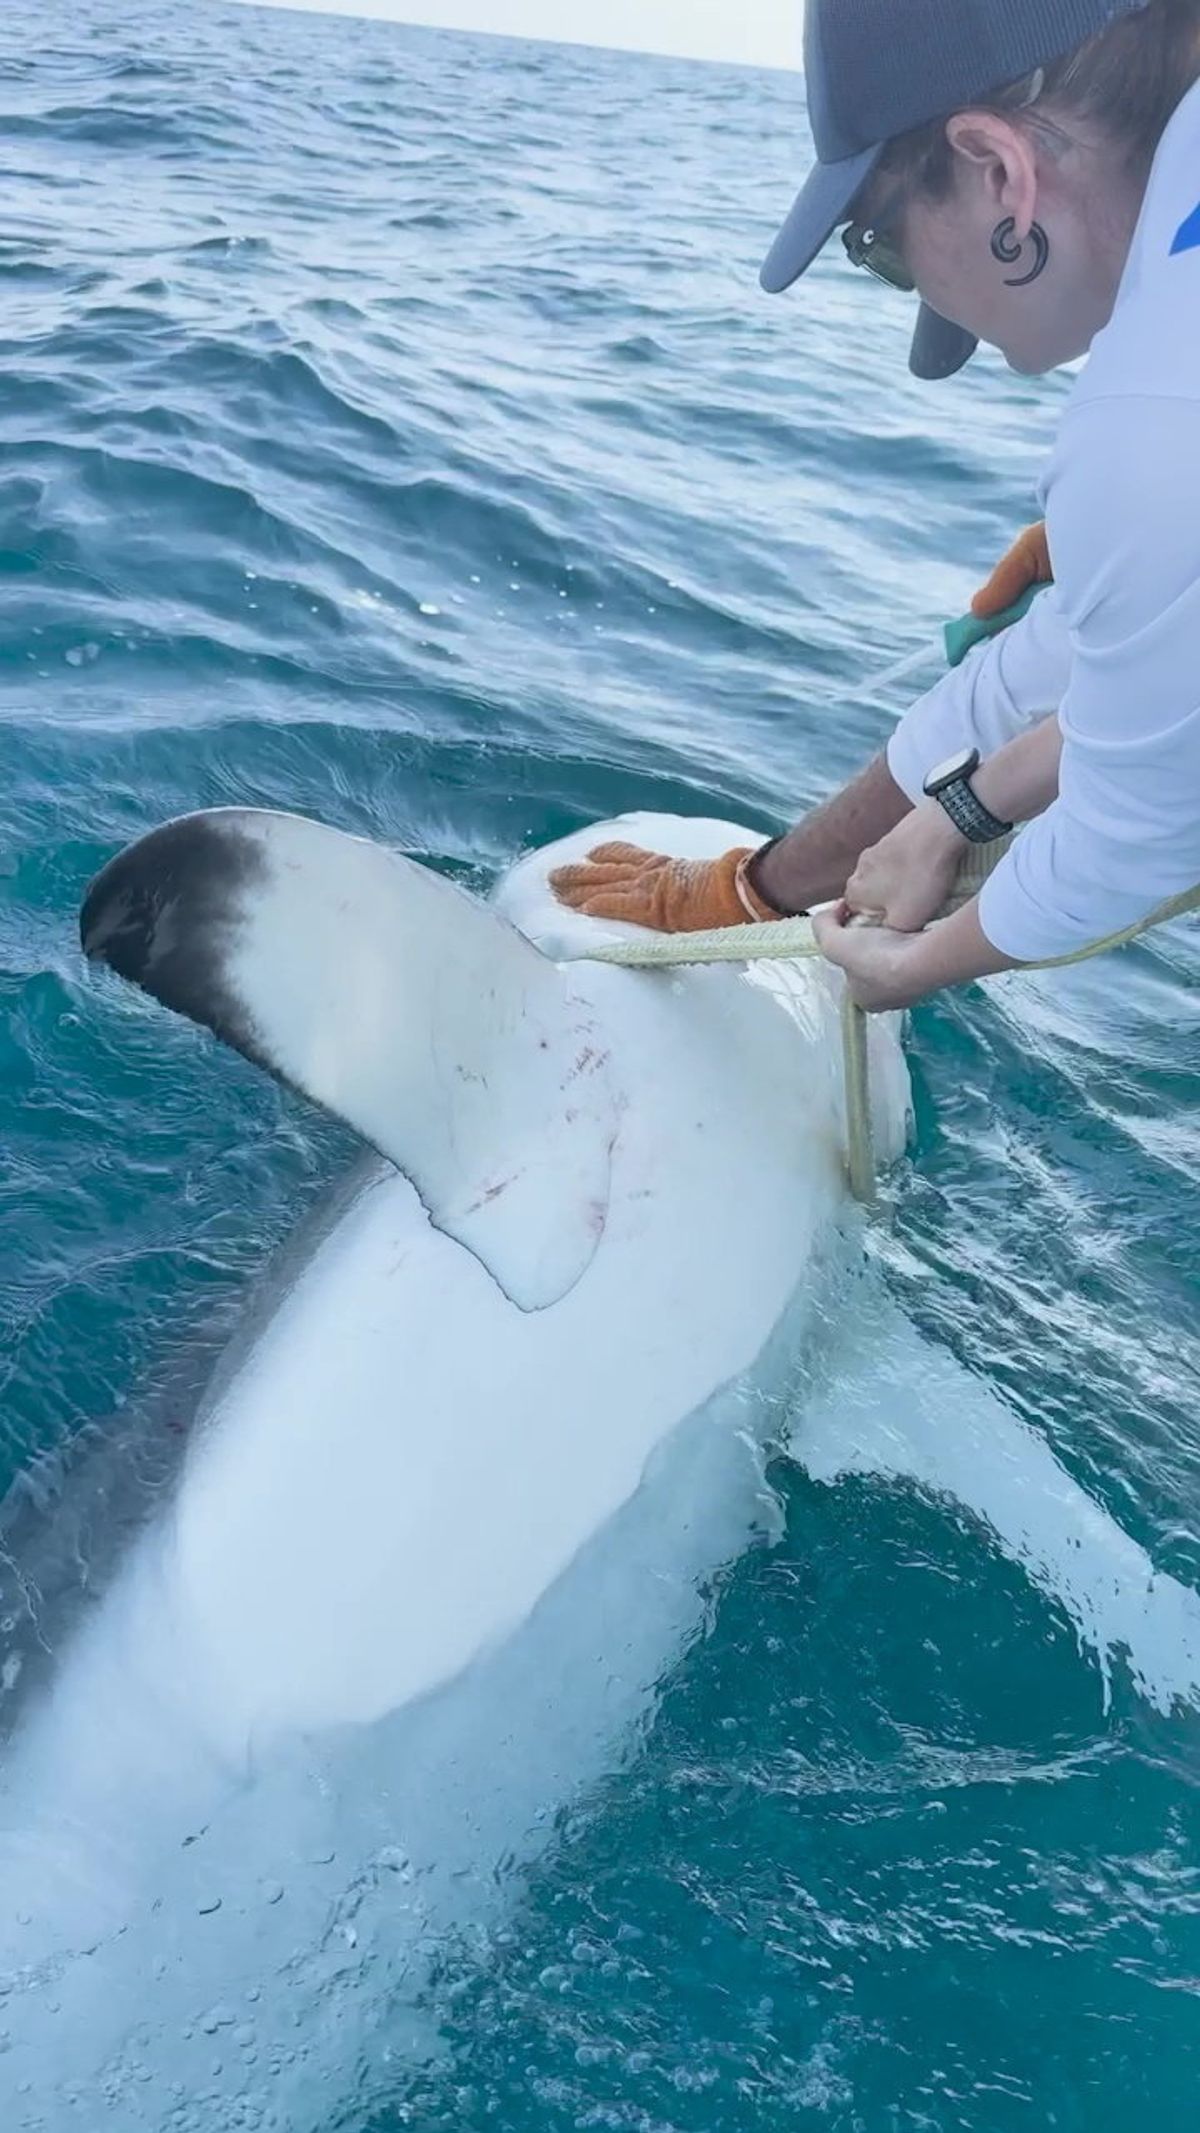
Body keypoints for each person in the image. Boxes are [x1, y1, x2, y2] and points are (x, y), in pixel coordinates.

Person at [552, 0, 1200, 1013]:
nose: (933, 311)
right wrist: (935, 821)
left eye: (880, 246)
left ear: (997, 172)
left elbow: (1142, 828)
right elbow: (1108, 699)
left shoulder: (1156, 422)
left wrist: (917, 961)